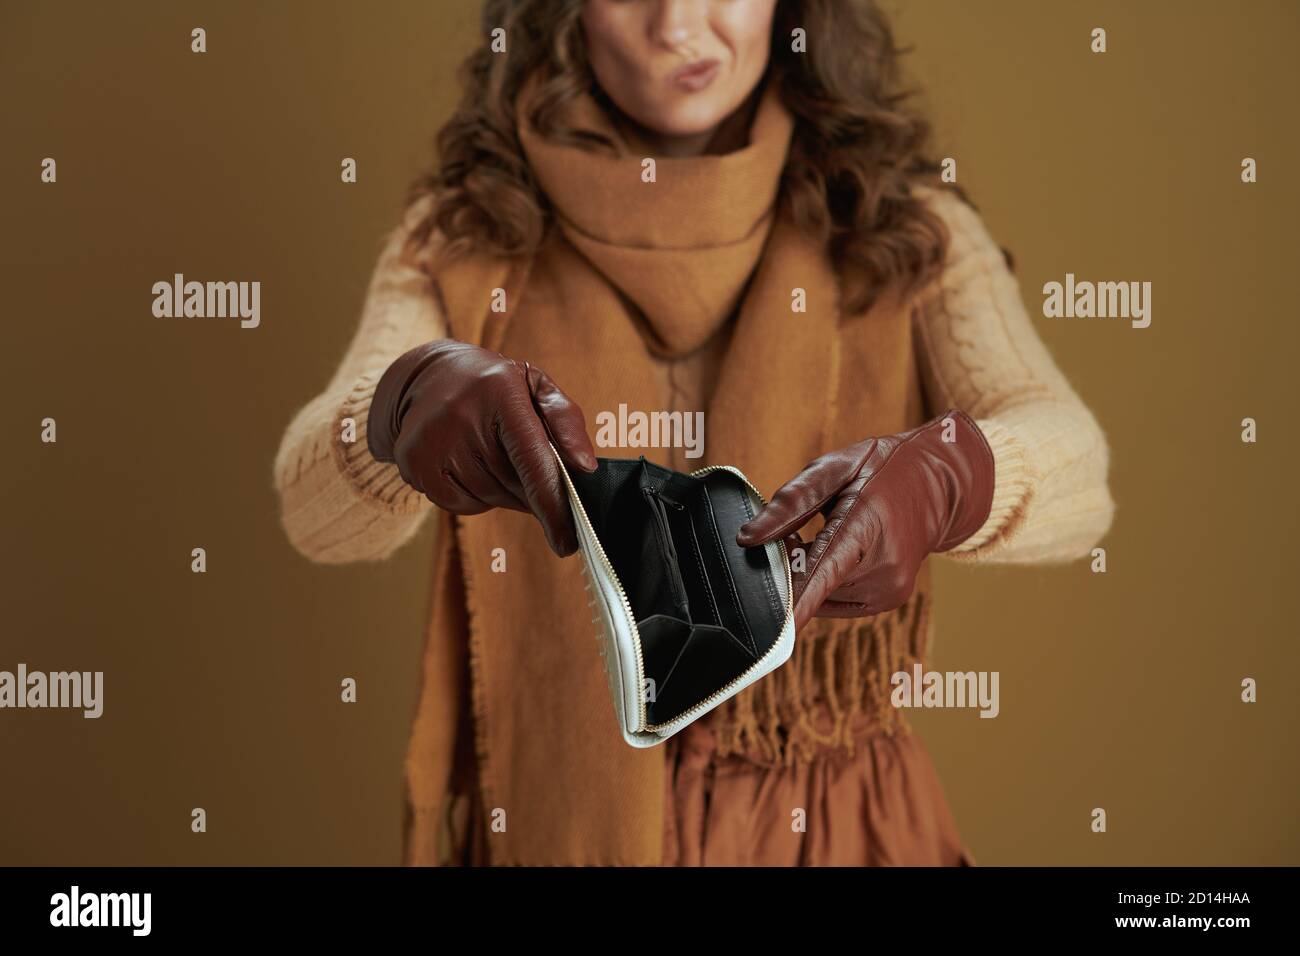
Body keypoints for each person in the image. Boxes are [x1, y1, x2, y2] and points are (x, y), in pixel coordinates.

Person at [273, 0, 1115, 866]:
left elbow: (1077, 467)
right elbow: (310, 510)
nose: (678, 25)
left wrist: (954, 479)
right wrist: (396, 408)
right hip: (552, 827)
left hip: (838, 831)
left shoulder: (905, 220)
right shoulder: (458, 239)